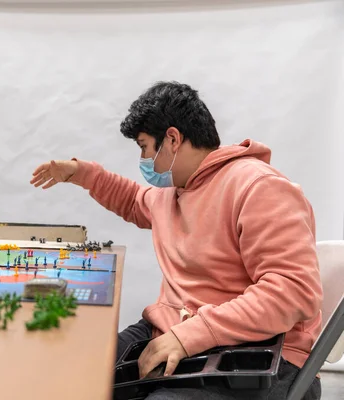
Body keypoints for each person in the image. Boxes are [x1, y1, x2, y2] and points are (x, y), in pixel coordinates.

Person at [31, 81, 322, 399]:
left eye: (144, 147)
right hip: (174, 329)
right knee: (74, 379)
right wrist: (80, 173)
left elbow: (294, 292)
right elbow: (133, 199)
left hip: (259, 352)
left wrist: (189, 335)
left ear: (172, 139)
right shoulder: (174, 191)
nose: (142, 159)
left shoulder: (259, 188)